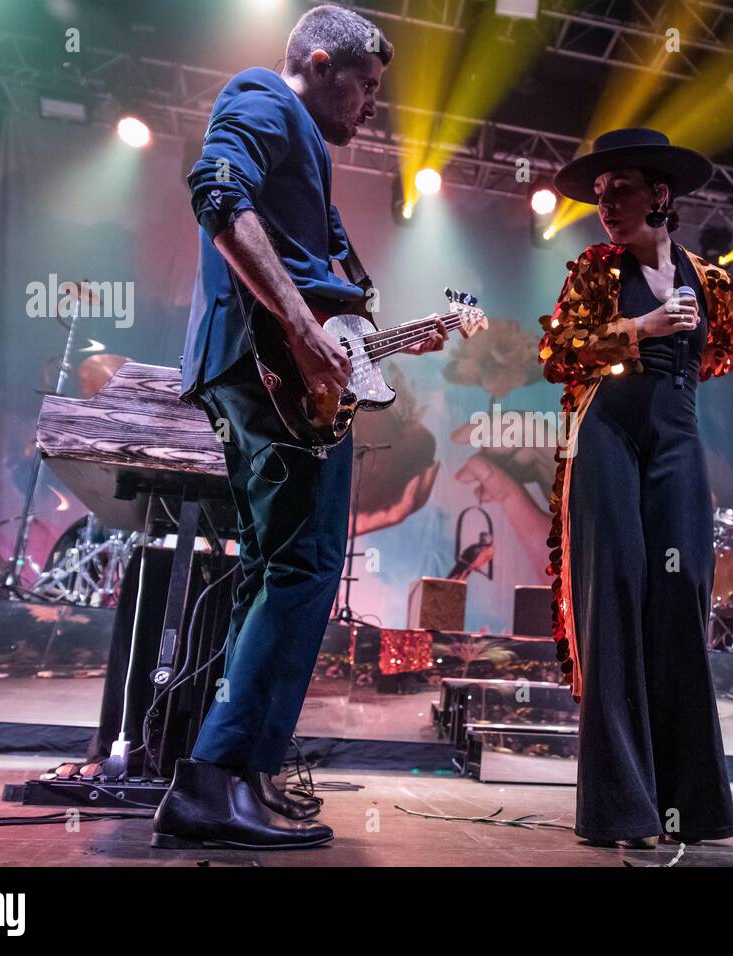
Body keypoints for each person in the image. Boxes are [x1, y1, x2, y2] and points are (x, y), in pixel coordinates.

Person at [153, 5, 446, 851]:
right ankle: (215, 781)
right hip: (268, 366)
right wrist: (304, 328)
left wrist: (347, 332)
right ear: (319, 63)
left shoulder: (307, 150)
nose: (372, 105)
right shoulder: (262, 98)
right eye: (365, 85)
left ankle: (239, 776)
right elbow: (215, 192)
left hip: (275, 368)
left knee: (275, 570)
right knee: (307, 565)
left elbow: (325, 286)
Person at [538, 128, 733, 848]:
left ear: (661, 194)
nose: (606, 204)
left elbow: (730, 346)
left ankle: (686, 805)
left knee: (682, 592)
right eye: (599, 194)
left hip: (676, 438)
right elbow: (557, 353)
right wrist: (639, 328)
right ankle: (622, 811)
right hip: (605, 436)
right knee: (617, 593)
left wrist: (676, 371)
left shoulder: (710, 279)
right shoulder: (596, 270)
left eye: (620, 188)